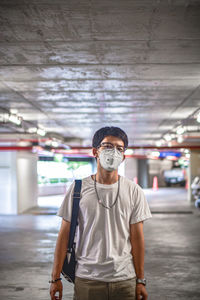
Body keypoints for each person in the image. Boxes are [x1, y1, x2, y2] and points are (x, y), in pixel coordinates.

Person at [50, 126, 152, 300]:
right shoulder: (78, 189)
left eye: (119, 148)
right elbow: (64, 235)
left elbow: (137, 238)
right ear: (95, 151)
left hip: (125, 278)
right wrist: (55, 278)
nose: (113, 152)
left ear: (124, 156)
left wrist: (140, 280)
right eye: (107, 146)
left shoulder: (134, 191)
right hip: (87, 278)